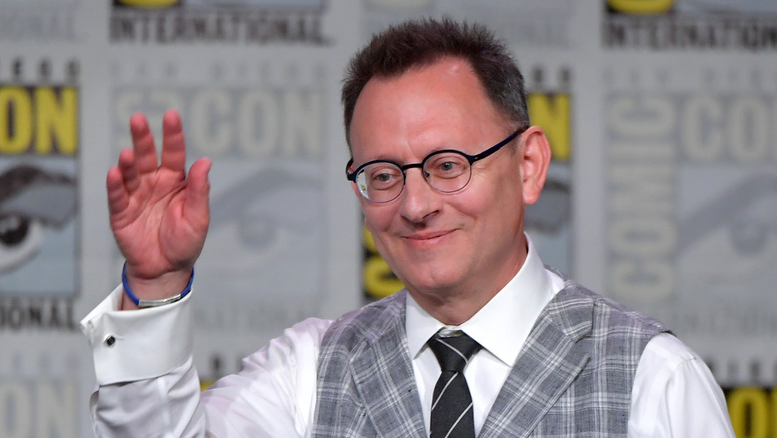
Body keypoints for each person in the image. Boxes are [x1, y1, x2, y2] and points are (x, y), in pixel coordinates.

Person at [81, 17, 734, 437]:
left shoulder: (652, 378)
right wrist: (158, 283)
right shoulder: (310, 371)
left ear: (529, 164)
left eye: (448, 165)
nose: (415, 204)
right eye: (384, 175)